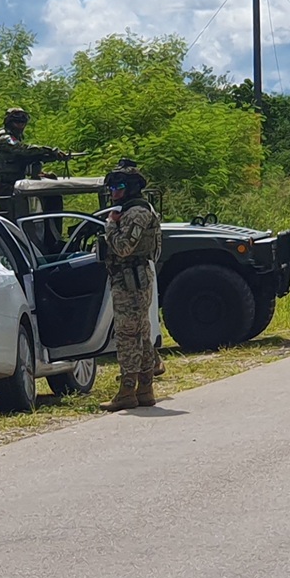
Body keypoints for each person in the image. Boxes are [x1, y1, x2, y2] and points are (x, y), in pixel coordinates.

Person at [98, 160, 164, 411]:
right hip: (133, 278)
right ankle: (144, 389)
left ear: (132, 187)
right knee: (141, 334)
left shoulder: (136, 212)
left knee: (127, 335)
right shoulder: (134, 210)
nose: (114, 192)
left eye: (119, 187)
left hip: (131, 281)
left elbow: (124, 248)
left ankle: (127, 391)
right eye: (112, 187)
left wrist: (110, 225)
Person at [0, 107, 71, 196]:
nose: (20, 126)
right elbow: (24, 150)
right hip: (5, 185)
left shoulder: (14, 138)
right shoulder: (5, 138)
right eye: (17, 123)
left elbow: (25, 158)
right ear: (9, 123)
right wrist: (49, 150)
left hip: (17, 183)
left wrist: (52, 157)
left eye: (22, 123)